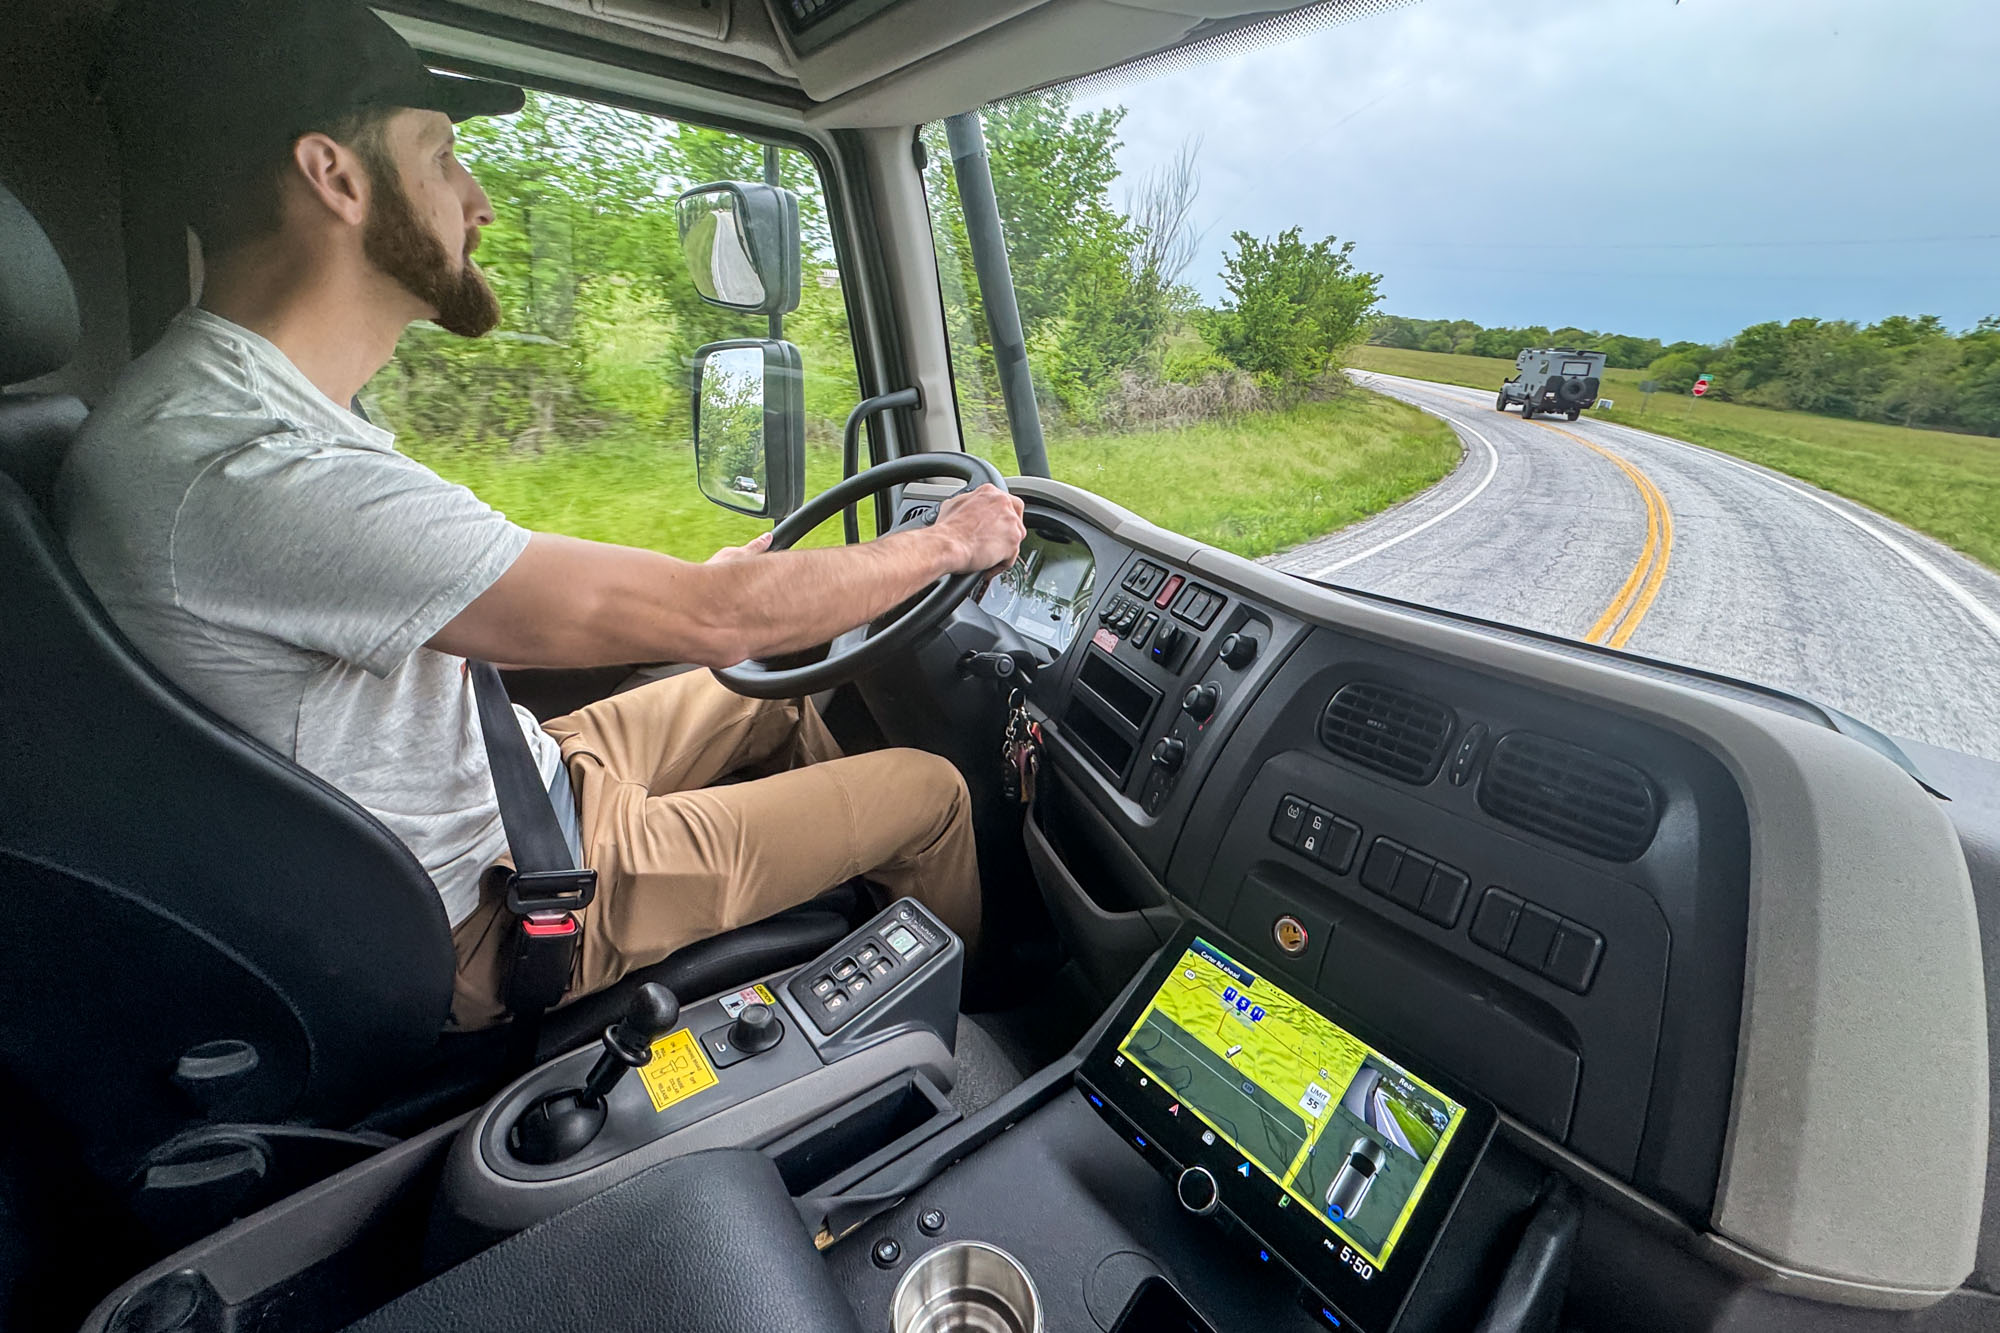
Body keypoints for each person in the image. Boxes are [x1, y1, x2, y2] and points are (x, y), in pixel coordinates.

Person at [59, 0, 1026, 1028]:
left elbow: (579, 597)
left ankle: (844, 935)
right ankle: (975, 1048)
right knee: (930, 794)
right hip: (504, 899)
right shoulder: (254, 464)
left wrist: (721, 600)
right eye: (440, 158)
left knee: (773, 697)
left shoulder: (215, 411)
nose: (476, 202)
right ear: (335, 177)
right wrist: (947, 542)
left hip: (517, 782)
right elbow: (720, 619)